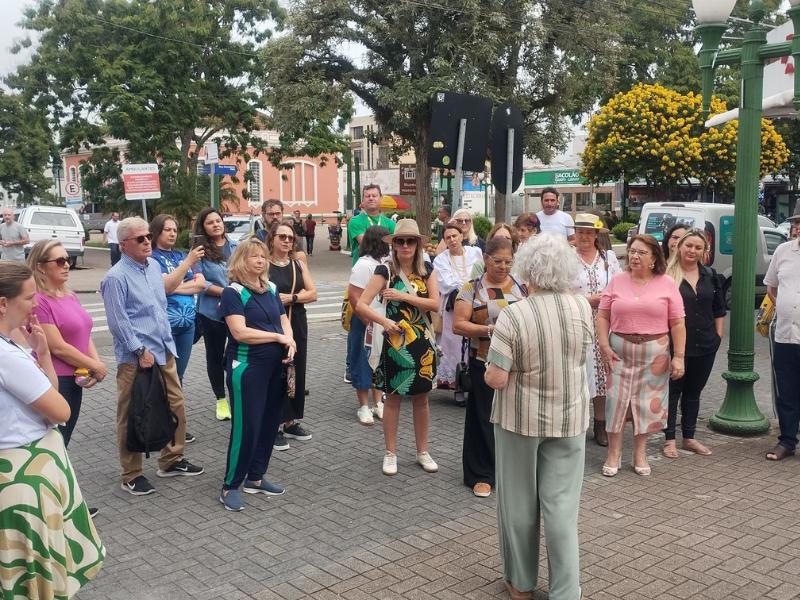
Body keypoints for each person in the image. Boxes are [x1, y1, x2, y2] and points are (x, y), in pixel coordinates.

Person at [483, 233, 593, 600]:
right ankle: (566, 591)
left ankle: (521, 583)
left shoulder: (514, 314)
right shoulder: (582, 308)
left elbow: (495, 378)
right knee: (562, 509)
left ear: (526, 270)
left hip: (520, 421)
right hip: (570, 419)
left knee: (518, 506)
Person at [0, 261, 105, 597]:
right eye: (30, 298)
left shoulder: (13, 347)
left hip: (22, 474)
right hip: (25, 480)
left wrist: (42, 353)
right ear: (4, 303)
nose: (36, 304)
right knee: (34, 582)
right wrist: (43, 358)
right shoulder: (7, 356)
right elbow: (60, 410)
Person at [101, 217, 204, 496]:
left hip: (162, 349)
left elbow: (161, 303)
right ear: (123, 245)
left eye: (148, 236)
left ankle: (171, 459)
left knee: (176, 404)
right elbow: (118, 322)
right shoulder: (115, 277)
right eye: (140, 239)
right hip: (135, 357)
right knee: (130, 414)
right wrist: (138, 350)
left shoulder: (154, 267)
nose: (148, 241)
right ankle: (131, 474)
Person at [356, 219, 441, 476]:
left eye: (410, 241)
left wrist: (402, 296)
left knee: (421, 399)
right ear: (393, 245)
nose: (405, 246)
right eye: (400, 241)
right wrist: (384, 321)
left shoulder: (427, 269)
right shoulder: (385, 271)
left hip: (422, 343)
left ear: (418, 244)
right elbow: (361, 304)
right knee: (392, 399)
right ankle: (390, 452)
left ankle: (422, 451)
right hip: (396, 343)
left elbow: (435, 304)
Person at [596, 234, 686, 477]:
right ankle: (613, 454)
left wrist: (679, 357)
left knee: (646, 404)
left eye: (641, 253)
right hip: (619, 351)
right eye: (632, 251)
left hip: (654, 353)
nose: (635, 256)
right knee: (615, 402)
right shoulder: (616, 281)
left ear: (654, 258)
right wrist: (604, 346)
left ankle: (640, 453)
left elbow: (677, 323)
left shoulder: (667, 283)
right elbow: (603, 316)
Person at [218, 238, 296, 511]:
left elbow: (283, 318)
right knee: (247, 426)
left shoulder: (271, 288)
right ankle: (230, 486)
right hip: (247, 369)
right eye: (254, 256)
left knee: (268, 424)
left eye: (263, 256)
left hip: (276, 367)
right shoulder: (233, 292)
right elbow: (239, 332)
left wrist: (290, 340)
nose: (261, 261)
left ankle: (255, 476)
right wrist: (276, 336)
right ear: (241, 260)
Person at [453, 236, 527, 498]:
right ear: (486, 259)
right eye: (498, 261)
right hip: (483, 360)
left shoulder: (522, 287)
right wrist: (489, 329)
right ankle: (481, 474)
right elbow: (458, 324)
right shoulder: (471, 289)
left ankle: (511, 472)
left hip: (517, 365)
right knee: (483, 418)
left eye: (509, 261)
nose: (504, 266)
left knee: (515, 419)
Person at [28, 240, 109, 447]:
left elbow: (84, 332)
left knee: (64, 438)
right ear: (40, 266)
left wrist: (95, 363)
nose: (67, 264)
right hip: (57, 380)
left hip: (75, 377)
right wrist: (95, 366)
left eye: (69, 259)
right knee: (56, 441)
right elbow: (57, 346)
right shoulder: (39, 301)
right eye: (60, 260)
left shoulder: (70, 295)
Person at [663, 229, 725, 459]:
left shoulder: (710, 275)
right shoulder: (666, 276)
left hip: (705, 343)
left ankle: (689, 436)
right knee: (672, 392)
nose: (692, 251)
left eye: (698, 247)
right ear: (680, 246)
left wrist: (718, 336)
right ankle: (669, 438)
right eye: (689, 245)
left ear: (704, 251)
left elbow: (718, 309)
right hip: (675, 344)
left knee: (693, 391)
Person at [150, 214, 206, 443]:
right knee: (165, 378)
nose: (173, 233)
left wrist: (176, 285)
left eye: (175, 229)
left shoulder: (181, 255)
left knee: (178, 376)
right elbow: (164, 287)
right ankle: (165, 425)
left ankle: (176, 421)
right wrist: (184, 273)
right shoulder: (153, 259)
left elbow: (200, 284)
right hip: (166, 327)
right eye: (167, 230)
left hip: (187, 325)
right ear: (156, 233)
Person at [571, 214, 622, 448]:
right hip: (577, 321)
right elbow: (559, 290)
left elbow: (620, 285)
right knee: (579, 372)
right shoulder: (567, 259)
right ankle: (576, 424)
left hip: (605, 322)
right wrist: (587, 300)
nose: (583, 236)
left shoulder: (608, 259)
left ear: (596, 235)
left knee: (603, 374)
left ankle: (600, 423)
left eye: (588, 233)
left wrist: (606, 299)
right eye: (580, 232)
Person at [268, 220, 318, 450]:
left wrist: (292, 298)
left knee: (296, 370)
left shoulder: (297, 263)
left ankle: (290, 421)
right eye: (282, 237)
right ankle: (273, 425)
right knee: (276, 372)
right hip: (273, 324)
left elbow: (313, 293)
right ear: (272, 239)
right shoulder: (264, 264)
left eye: (290, 238)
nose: (287, 241)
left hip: (296, 320)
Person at [193, 207, 237, 421]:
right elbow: (200, 283)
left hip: (237, 310)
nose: (216, 225)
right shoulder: (199, 251)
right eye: (210, 222)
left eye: (218, 220)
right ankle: (221, 400)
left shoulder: (235, 246)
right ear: (203, 227)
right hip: (211, 313)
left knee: (235, 352)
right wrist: (227, 292)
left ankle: (237, 393)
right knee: (214, 355)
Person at [764, 221, 800, 460]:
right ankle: (787, 440)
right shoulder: (783, 251)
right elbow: (771, 288)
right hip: (786, 334)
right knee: (786, 390)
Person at [348, 225, 390, 425]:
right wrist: (368, 321)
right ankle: (363, 406)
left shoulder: (385, 263)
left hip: (380, 319)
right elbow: (354, 297)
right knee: (362, 361)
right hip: (365, 321)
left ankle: (378, 402)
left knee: (379, 361)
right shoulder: (363, 265)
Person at [433, 222, 482, 390]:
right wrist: (467, 287)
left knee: (474, 344)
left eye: (455, 236)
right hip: (453, 305)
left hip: (476, 303)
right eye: (448, 237)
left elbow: (481, 274)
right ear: (444, 241)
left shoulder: (475, 252)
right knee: (453, 344)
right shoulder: (441, 259)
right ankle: (457, 385)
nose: (452, 240)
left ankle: (473, 381)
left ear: (462, 236)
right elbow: (446, 282)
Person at [347, 184, 396, 265]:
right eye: (367, 196)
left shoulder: (390, 223)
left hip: (386, 269)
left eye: (374, 195)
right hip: (364, 270)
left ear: (381, 198)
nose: (371, 198)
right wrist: (388, 244)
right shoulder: (355, 221)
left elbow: (396, 246)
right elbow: (367, 246)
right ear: (363, 200)